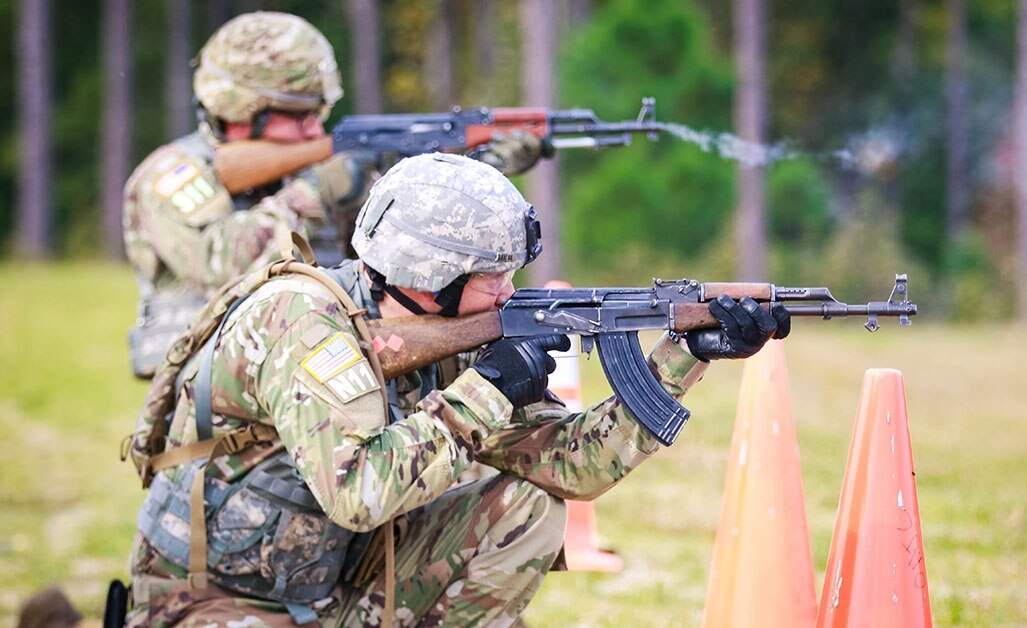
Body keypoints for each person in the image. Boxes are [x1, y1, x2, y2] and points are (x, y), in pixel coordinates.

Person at [123, 153, 788, 627]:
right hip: (213, 604)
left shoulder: (452, 331)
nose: (509, 290)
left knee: (530, 508)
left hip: (333, 590)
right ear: (427, 272)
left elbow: (573, 467)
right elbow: (359, 492)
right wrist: (488, 390)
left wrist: (682, 355)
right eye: (491, 274)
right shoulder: (302, 324)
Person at [122, 11, 543, 379]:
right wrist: (317, 190)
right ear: (240, 109)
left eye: (319, 113)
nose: (315, 130)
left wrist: (477, 172)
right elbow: (223, 262)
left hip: (312, 358)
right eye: (300, 114)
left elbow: (403, 255)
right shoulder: (173, 176)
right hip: (212, 378)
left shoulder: (309, 172)